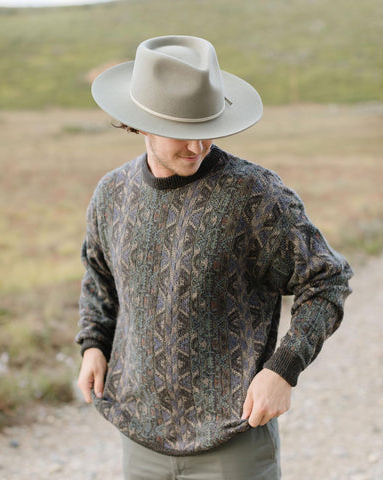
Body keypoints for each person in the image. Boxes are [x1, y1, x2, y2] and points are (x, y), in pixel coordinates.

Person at [76, 35, 353, 480]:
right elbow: (100, 275)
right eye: (182, 133)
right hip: (139, 436)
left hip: (232, 441)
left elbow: (327, 281)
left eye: (206, 129)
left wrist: (282, 370)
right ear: (140, 122)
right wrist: (93, 343)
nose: (198, 146)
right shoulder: (111, 194)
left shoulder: (256, 196)